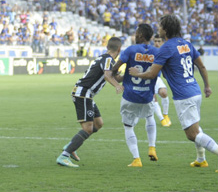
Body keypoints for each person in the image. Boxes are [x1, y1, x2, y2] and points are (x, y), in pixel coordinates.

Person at [129, 14, 218, 169]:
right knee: (196, 127)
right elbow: (202, 67)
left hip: (184, 96)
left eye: (160, 26)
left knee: (192, 134)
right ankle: (201, 159)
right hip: (195, 91)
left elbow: (151, 74)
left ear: (166, 29)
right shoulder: (187, 44)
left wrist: (137, 74)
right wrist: (207, 86)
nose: (158, 28)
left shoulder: (167, 48)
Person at [57, 37, 123, 168]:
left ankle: (71, 146)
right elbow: (107, 76)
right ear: (119, 50)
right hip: (83, 93)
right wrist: (116, 85)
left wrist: (130, 75)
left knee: (98, 124)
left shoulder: (104, 58)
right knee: (88, 128)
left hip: (87, 94)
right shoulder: (108, 59)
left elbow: (114, 77)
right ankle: (64, 155)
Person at [111, 24, 160, 167]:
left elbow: (116, 67)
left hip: (130, 96)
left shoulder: (131, 50)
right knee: (150, 117)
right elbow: (157, 73)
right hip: (147, 95)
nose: (135, 34)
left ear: (140, 35)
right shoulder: (157, 52)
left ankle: (136, 159)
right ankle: (152, 147)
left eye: (137, 32)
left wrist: (115, 75)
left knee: (128, 126)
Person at [152, 34, 171, 127]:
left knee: (164, 93)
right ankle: (162, 119)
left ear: (162, 42)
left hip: (157, 78)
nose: (157, 43)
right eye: (155, 41)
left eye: (159, 41)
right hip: (148, 78)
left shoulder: (164, 52)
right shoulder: (150, 52)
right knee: (153, 98)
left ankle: (165, 115)